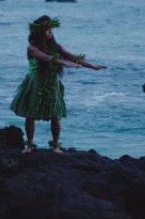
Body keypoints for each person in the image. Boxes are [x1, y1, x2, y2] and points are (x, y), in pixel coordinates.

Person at [10, 15, 106, 154]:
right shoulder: (32, 48)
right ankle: (29, 145)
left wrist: (92, 66)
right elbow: (45, 57)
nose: (50, 33)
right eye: (47, 30)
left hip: (52, 83)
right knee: (30, 114)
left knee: (56, 115)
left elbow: (73, 57)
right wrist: (62, 62)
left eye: (51, 30)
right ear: (39, 32)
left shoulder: (56, 46)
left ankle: (55, 146)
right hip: (35, 83)